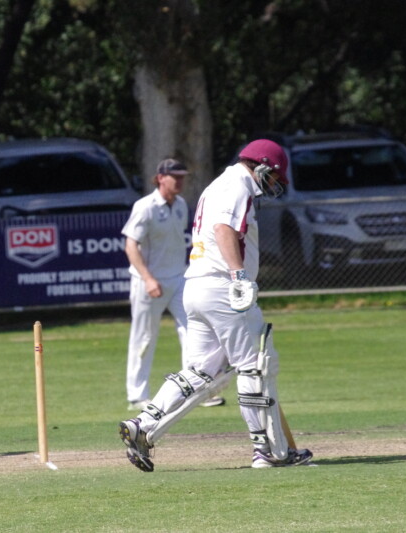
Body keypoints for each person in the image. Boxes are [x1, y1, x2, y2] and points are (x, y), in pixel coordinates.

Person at [118, 139, 313, 470]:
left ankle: (143, 426)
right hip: (222, 287)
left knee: (201, 371)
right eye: (275, 177)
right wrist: (239, 276)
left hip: (196, 286)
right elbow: (224, 229)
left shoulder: (219, 184)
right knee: (256, 365)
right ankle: (268, 451)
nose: (274, 185)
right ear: (263, 167)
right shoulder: (238, 184)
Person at [122, 158, 226, 412]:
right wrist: (148, 278)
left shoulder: (180, 205)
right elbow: (130, 245)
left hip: (178, 279)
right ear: (160, 178)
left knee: (195, 331)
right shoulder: (145, 206)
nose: (180, 181)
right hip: (148, 282)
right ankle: (137, 395)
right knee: (144, 337)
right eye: (175, 176)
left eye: (182, 176)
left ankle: (197, 389)